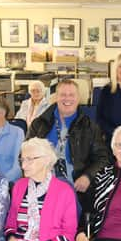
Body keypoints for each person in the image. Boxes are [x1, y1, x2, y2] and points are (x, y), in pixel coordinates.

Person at [28, 79, 109, 211]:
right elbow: (25, 154)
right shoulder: (39, 123)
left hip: (75, 183)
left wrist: (87, 176)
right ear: (56, 97)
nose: (67, 99)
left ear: (78, 98)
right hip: (41, 180)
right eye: (63, 95)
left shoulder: (90, 127)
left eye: (72, 95)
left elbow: (103, 158)